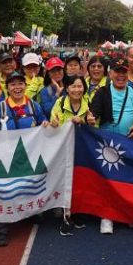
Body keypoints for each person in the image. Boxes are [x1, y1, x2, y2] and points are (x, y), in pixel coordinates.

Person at [0, 71, 48, 247]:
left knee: (29, 186)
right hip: (6, 157)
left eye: (20, 84)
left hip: (29, 156)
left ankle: (30, 213)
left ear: (25, 86)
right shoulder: (0, 108)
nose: (17, 87)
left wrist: (48, 124)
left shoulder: (34, 106)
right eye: (13, 84)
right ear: (7, 87)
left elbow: (44, 123)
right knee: (5, 192)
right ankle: (1, 229)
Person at [89, 55, 133, 235]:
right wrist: (89, 118)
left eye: (123, 72)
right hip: (109, 144)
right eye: (117, 72)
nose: (120, 75)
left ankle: (128, 214)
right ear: (110, 73)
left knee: (128, 180)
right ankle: (107, 216)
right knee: (109, 181)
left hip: (130, 144)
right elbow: (93, 113)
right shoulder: (102, 92)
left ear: (128, 72)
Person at [49, 75, 96, 236]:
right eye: (73, 86)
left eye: (80, 86)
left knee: (80, 181)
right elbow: (54, 124)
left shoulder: (89, 104)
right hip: (64, 151)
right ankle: (66, 217)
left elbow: (96, 128)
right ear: (67, 88)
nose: (77, 90)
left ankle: (76, 213)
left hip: (83, 151)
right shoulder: (60, 104)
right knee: (65, 182)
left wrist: (87, 122)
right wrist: (54, 125)